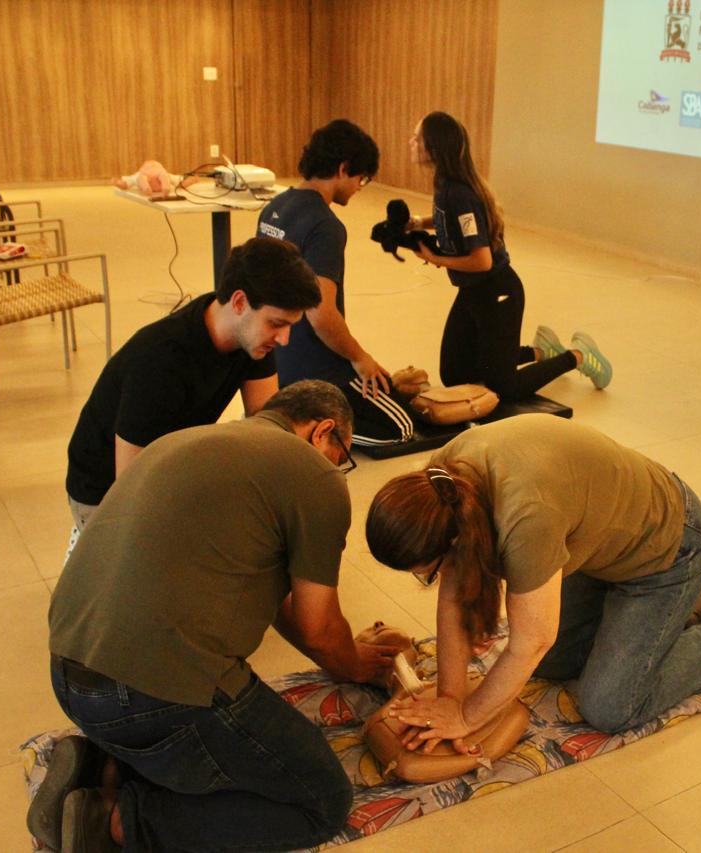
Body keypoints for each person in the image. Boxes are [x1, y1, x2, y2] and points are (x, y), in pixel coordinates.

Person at [33, 381, 401, 853]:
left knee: (202, 740)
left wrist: (343, 652)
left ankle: (103, 769)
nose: (338, 468)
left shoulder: (185, 441)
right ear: (322, 431)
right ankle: (115, 821)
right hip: (147, 696)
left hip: (69, 677)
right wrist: (355, 664)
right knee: (320, 801)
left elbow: (279, 604)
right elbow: (319, 629)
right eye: (341, 455)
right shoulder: (314, 475)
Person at [364, 415, 701, 747]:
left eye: (428, 571)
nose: (435, 580)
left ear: (452, 542)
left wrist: (467, 717)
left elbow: (532, 641)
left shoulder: (525, 519)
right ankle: (687, 603)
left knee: (609, 706)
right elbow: (455, 594)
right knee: (555, 665)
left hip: (671, 548)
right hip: (602, 547)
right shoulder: (441, 486)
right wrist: (449, 699)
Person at [64, 237, 319, 534]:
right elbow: (131, 488)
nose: (284, 339)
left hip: (172, 465)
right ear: (239, 302)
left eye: (290, 325)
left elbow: (268, 425)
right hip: (104, 496)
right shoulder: (160, 361)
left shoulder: (249, 336)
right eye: (276, 324)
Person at [407, 111, 613, 400]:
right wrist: (418, 223)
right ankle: (541, 351)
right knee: (454, 374)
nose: (411, 142)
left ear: (433, 148)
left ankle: (577, 355)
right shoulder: (446, 184)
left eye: (417, 138)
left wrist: (437, 258)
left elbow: (482, 261)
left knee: (503, 388)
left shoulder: (459, 194)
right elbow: (450, 220)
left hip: (498, 293)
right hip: (473, 291)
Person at [257, 119, 415, 447]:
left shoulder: (273, 208)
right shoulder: (325, 226)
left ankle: (296, 413)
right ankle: (307, 423)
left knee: (393, 390)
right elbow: (321, 313)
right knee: (401, 426)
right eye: (361, 178)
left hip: (280, 367)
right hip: (319, 373)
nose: (359, 187)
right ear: (343, 169)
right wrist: (360, 358)